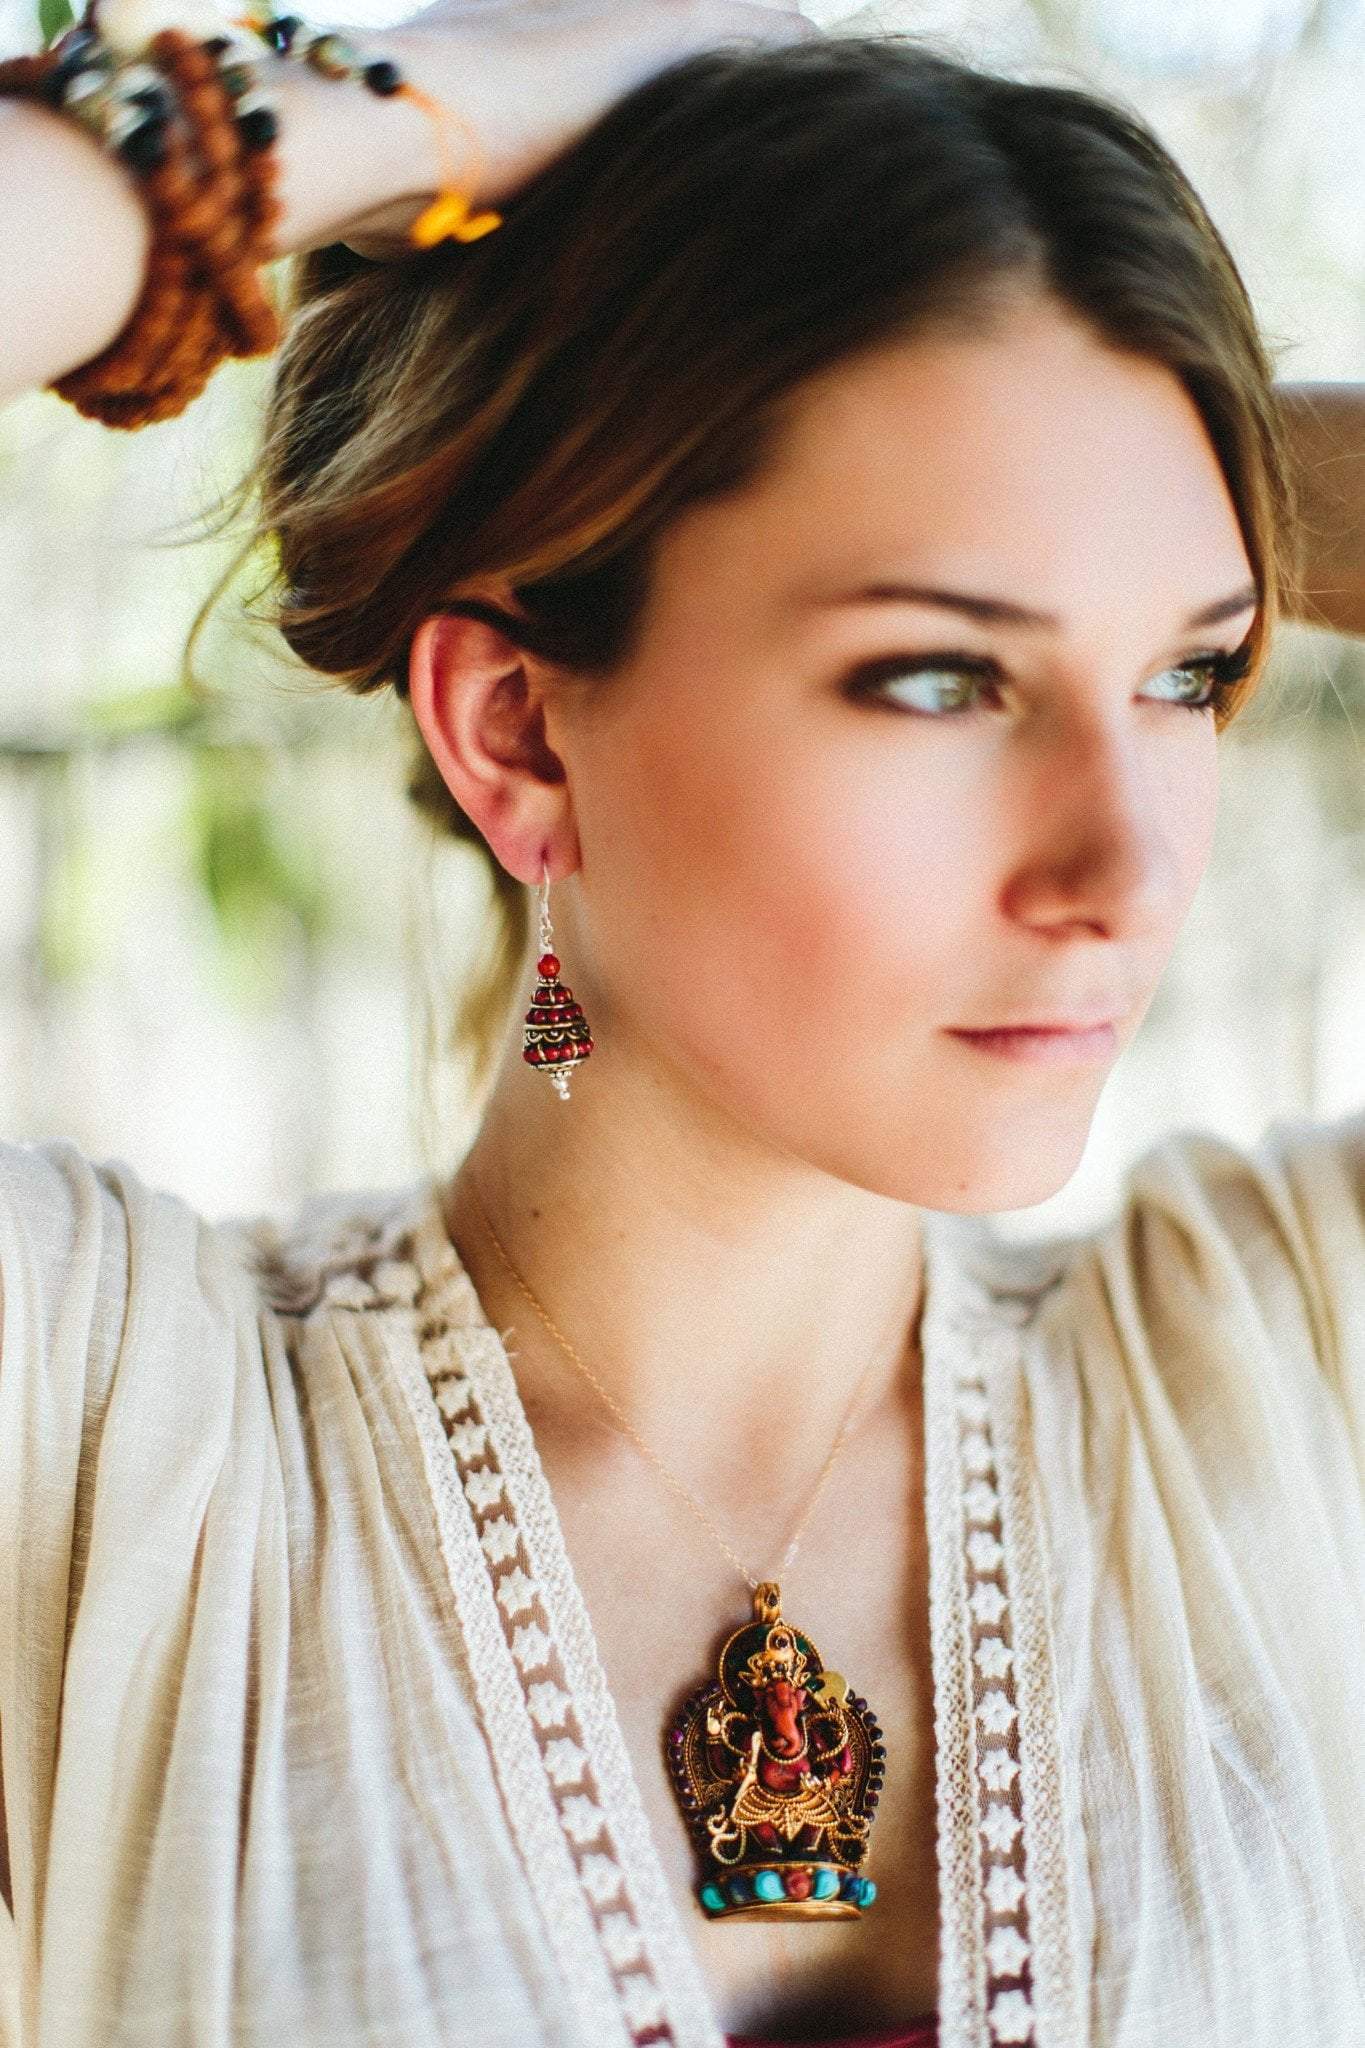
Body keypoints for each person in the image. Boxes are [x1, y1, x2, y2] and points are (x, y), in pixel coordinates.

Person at [0, 7, 1363, 2047]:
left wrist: (1129, 435)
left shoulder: (1285, 1370)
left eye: (1186, 672)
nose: (1126, 868)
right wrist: (414, 120)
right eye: (939, 678)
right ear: (517, 732)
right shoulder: (106, 1440)